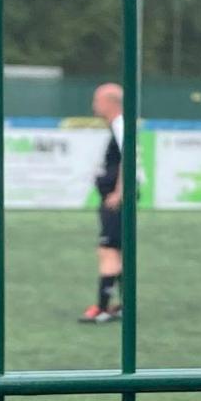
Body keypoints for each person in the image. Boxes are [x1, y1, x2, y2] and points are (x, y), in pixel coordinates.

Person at [79, 82, 125, 324]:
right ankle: (124, 305)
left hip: (116, 200)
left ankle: (103, 308)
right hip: (114, 197)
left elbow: (130, 158)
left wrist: (119, 192)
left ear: (110, 102)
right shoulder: (117, 127)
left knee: (107, 249)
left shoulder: (120, 125)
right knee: (115, 249)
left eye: (97, 100)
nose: (94, 105)